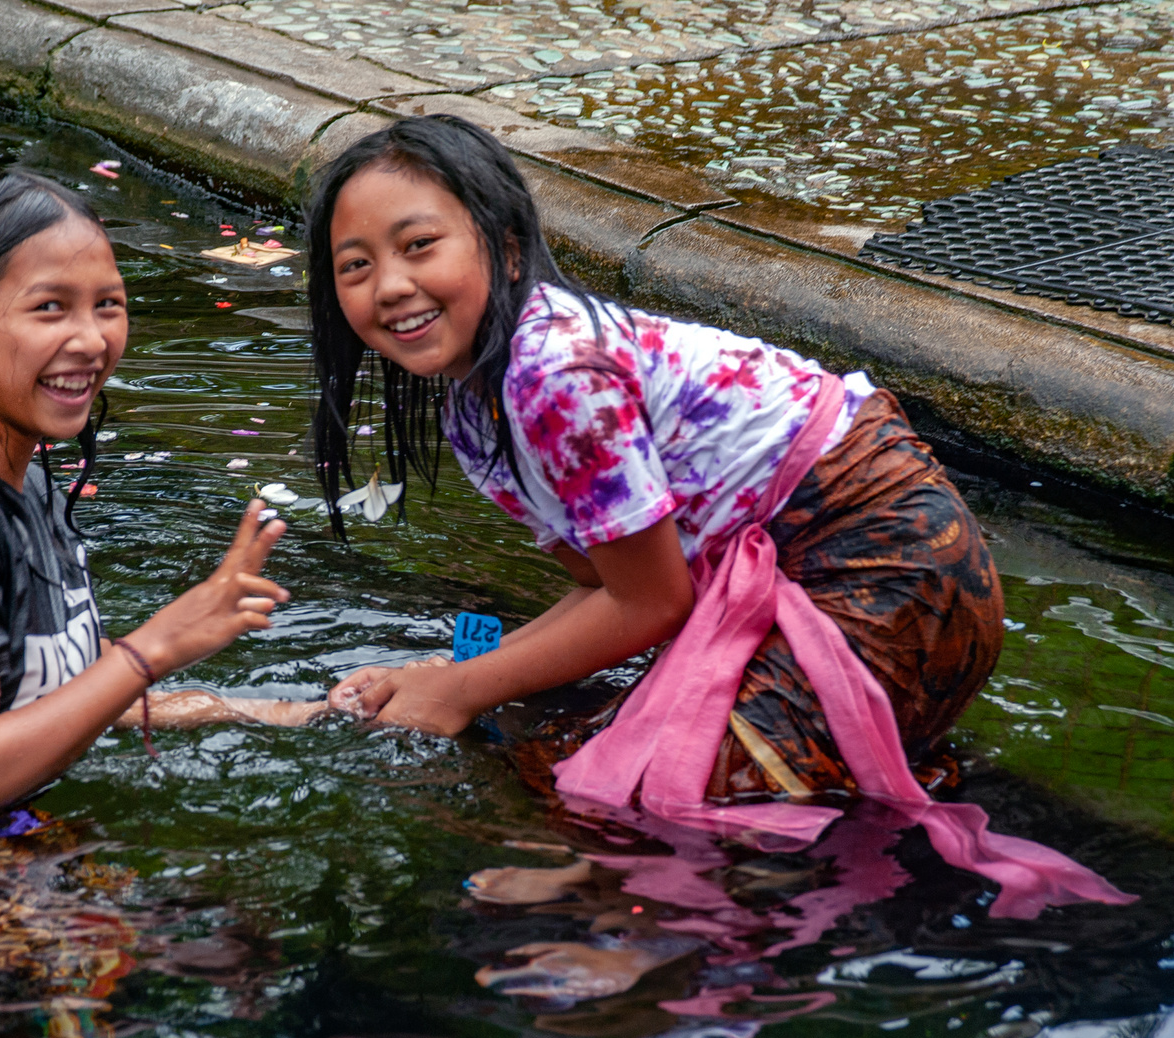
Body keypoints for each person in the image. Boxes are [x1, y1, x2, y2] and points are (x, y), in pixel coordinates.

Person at [309, 115, 1131, 915]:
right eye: (355, 266)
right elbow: (610, 589)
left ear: (507, 245)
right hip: (835, 571)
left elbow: (651, 604)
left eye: (420, 246)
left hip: (892, 571)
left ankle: (679, 946)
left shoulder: (553, 368)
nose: (390, 286)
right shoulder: (473, 408)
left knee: (639, 805)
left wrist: (460, 691)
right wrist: (445, 682)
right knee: (575, 744)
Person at [0, 169, 318, 832]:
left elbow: (67, 676)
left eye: (108, 304)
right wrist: (157, 644)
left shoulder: (25, 478)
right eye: (50, 307)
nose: (92, 340)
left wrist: (280, 711)